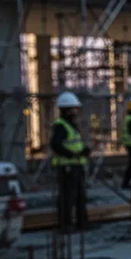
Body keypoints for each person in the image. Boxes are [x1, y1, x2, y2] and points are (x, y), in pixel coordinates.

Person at [50, 91, 89, 232]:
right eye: (73, 109)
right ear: (66, 110)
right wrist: (72, 154)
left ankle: (81, 223)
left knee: (80, 196)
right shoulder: (61, 125)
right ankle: (65, 224)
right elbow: (56, 145)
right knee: (67, 197)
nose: (76, 111)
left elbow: (74, 143)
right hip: (67, 167)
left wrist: (83, 151)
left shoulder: (71, 125)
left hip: (76, 165)